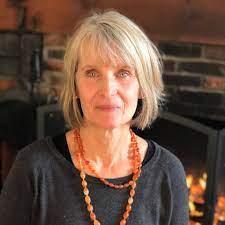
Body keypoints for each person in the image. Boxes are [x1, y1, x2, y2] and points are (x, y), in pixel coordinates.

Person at [0, 10, 189, 225]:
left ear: (142, 87)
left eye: (123, 73)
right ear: (75, 86)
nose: (108, 90)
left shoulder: (168, 172)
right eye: (92, 73)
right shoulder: (33, 167)